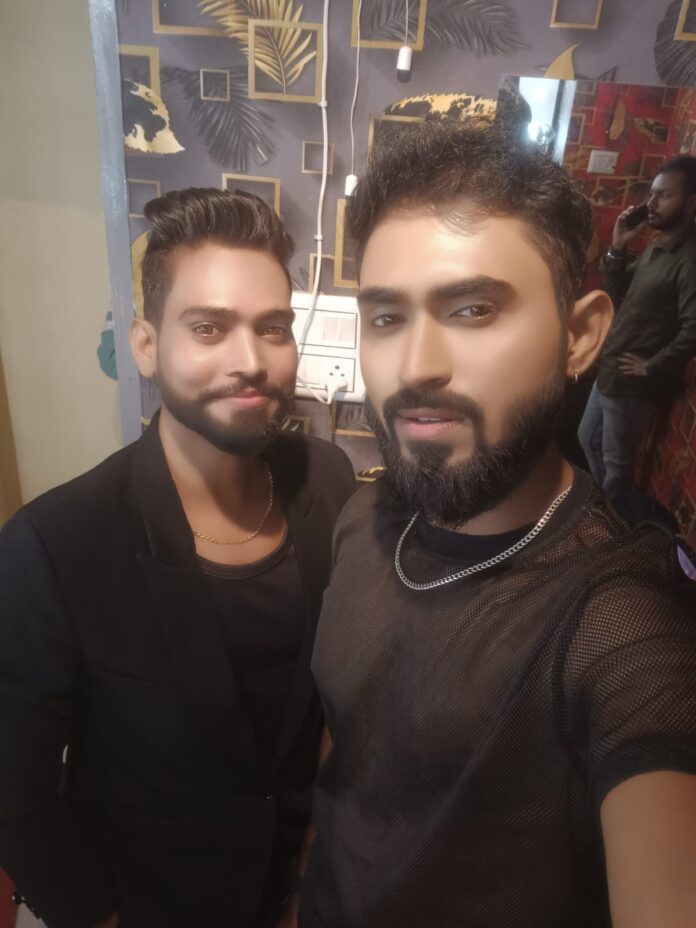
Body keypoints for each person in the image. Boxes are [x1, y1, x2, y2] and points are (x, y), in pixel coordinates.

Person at [299, 122, 696, 928]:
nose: (416, 367)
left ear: (581, 335)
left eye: (473, 309)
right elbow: (351, 754)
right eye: (386, 318)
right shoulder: (365, 519)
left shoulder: (619, 624)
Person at [0, 188, 354, 928]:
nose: (250, 361)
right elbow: (15, 788)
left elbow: (330, 686)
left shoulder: (326, 480)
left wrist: (313, 862)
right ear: (146, 346)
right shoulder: (58, 544)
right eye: (208, 328)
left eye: (274, 328)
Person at [578, 155, 696, 492]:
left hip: (633, 385)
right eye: (652, 194)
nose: (652, 203)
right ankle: (604, 507)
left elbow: (693, 328)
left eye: (665, 195)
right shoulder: (659, 246)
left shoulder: (689, 259)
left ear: (691, 203)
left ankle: (613, 519)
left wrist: (652, 365)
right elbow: (619, 292)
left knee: (617, 466)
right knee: (587, 437)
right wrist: (618, 246)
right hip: (611, 370)